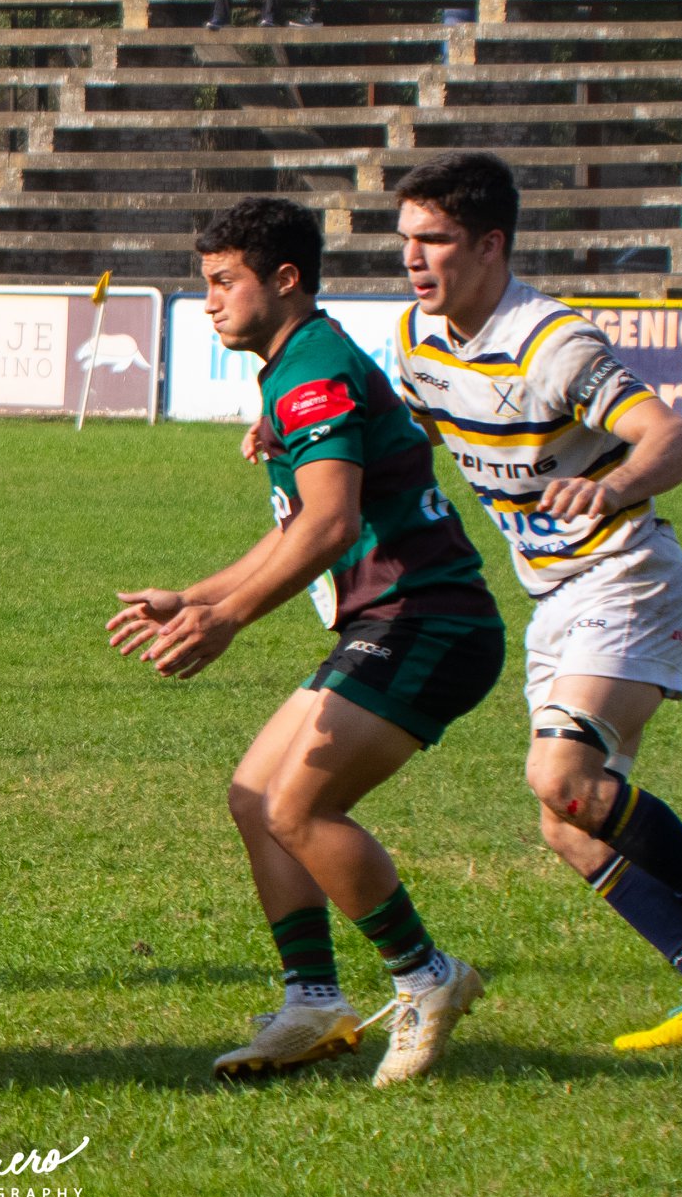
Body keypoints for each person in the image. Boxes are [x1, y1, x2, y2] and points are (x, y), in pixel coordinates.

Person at [108, 196, 503, 1086]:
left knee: (300, 810)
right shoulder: (296, 365)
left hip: (427, 618)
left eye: (223, 282)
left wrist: (229, 620)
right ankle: (314, 1000)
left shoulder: (311, 370)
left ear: (284, 280)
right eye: (202, 283)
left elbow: (328, 526)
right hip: (390, 619)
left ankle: (426, 977)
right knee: (256, 796)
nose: (207, 301)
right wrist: (196, 595)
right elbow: (301, 526)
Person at [394, 150, 682, 1049]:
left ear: (492, 244)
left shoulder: (553, 343)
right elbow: (406, 427)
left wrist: (612, 487)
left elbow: (677, 439)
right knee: (567, 823)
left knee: (563, 777)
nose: (415, 259)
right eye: (407, 240)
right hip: (557, 598)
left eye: (436, 240)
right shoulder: (417, 340)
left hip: (627, 574)